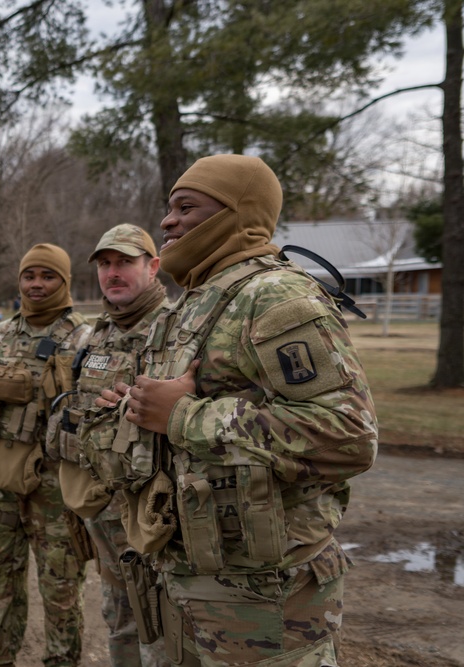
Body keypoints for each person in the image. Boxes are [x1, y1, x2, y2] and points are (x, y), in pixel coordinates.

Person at [95, 155, 377, 666]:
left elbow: (350, 435)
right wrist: (136, 409)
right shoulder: (194, 303)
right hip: (190, 581)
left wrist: (183, 416)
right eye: (168, 208)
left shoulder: (275, 295)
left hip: (267, 600)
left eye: (186, 207)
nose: (167, 221)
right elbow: (177, 410)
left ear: (238, 213)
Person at [0, 243, 92, 667]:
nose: (37, 285)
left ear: (64, 282)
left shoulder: (86, 339)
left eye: (48, 276)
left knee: (61, 588)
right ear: (19, 281)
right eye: (30, 276)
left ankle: (63, 660)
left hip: (56, 490)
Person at [51, 225, 170, 667]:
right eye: (104, 264)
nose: (112, 273)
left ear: (152, 266)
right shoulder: (95, 336)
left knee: (161, 626)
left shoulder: (174, 330)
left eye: (124, 262)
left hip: (151, 516)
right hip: (102, 512)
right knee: (119, 617)